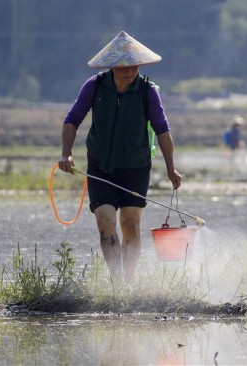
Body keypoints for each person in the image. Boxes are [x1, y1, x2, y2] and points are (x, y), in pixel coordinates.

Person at [58, 31, 181, 283]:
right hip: (100, 166)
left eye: (134, 66)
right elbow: (72, 120)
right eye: (125, 67)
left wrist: (171, 168)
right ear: (113, 66)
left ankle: (129, 280)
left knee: (131, 224)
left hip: (136, 166)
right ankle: (115, 283)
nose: (130, 72)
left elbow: (163, 130)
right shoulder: (94, 86)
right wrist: (66, 153)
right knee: (105, 223)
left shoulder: (148, 91)